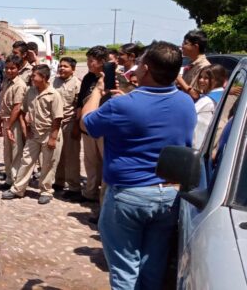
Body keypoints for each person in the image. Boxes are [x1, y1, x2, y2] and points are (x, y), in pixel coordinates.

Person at [81, 41, 196, 290]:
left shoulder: (122, 105)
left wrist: (98, 92)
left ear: (144, 68)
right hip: (169, 195)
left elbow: (87, 123)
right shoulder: (186, 102)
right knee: (152, 267)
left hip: (129, 195)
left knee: (124, 271)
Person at [2, 64, 64, 204]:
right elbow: (23, 110)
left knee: (48, 164)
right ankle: (18, 189)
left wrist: (53, 138)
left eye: (35, 75)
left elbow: (57, 118)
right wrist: (27, 128)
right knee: (26, 161)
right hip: (34, 133)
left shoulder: (54, 95)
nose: (32, 77)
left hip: (49, 133)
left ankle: (46, 191)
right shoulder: (31, 91)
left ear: (44, 77)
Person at [74, 45, 109, 203]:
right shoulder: (88, 78)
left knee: (105, 161)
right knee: (90, 160)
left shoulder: (110, 78)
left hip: (104, 127)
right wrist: (78, 121)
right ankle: (90, 192)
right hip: (87, 125)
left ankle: (104, 198)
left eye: (91, 61)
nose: (89, 63)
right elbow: (80, 100)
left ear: (102, 61)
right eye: (87, 60)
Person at [52, 57, 83, 199]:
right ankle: (59, 181)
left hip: (70, 122)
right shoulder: (54, 82)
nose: (62, 68)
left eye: (65, 66)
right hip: (55, 122)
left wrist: (77, 126)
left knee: (71, 156)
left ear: (73, 69)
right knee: (57, 154)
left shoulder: (77, 84)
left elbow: (79, 107)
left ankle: (74, 187)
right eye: (60, 66)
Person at [0, 54, 27, 188]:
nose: (9, 71)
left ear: (18, 69)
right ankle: (9, 179)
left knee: (16, 152)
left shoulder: (19, 85)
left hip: (14, 123)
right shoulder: (6, 82)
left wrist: (8, 126)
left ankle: (16, 182)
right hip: (6, 121)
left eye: (12, 68)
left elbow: (17, 107)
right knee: (7, 152)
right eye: (7, 68)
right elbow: (4, 105)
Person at [193, 64, 227, 148]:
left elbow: (198, 133)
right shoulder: (224, 95)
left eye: (206, 78)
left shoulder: (206, 101)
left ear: (217, 80)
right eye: (200, 77)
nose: (201, 80)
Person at [176, 29, 210, 101]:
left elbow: (195, 95)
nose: (182, 46)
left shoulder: (203, 66)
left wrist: (178, 78)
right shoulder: (192, 64)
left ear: (195, 47)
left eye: (185, 43)